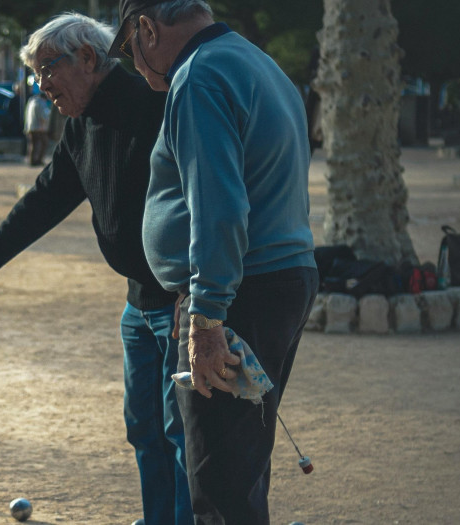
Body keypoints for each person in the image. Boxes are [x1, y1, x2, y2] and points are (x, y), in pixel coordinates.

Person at [0, 13, 191, 525]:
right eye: (35, 75)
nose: (41, 86)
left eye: (46, 70)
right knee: (144, 430)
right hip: (137, 305)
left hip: (180, 300)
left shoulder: (154, 104)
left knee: (181, 434)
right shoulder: (81, 123)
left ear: (86, 58)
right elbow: (49, 195)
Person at [114, 1, 318, 523]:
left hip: (242, 289)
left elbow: (219, 207)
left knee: (219, 482)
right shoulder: (255, 61)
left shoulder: (198, 76)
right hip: (279, 276)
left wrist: (207, 316)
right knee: (241, 468)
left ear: (146, 29)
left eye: (130, 50)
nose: (134, 64)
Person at [23, 84, 51, 166]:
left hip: (29, 127)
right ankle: (38, 159)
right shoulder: (41, 103)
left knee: (32, 144)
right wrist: (44, 126)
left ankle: (31, 160)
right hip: (39, 127)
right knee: (43, 143)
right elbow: (43, 116)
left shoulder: (31, 101)